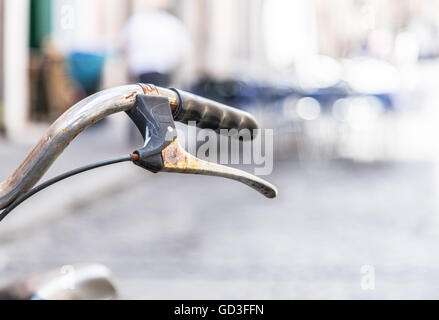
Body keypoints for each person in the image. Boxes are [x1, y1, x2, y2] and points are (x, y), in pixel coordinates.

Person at [123, 9, 191, 87]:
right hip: (163, 70)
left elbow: (125, 45)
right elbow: (183, 51)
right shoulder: (172, 23)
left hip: (142, 70)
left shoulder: (138, 21)